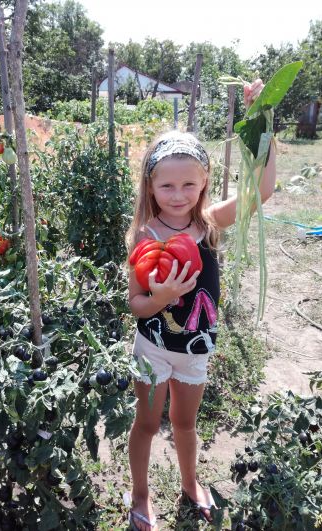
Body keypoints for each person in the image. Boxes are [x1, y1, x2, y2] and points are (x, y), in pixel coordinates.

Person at [123, 79, 276, 530]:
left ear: (205, 180)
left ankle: (190, 483)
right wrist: (163, 297)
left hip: (195, 349)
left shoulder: (208, 224)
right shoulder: (146, 236)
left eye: (189, 183)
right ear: (151, 185)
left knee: (185, 424)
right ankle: (140, 493)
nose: (178, 194)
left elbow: (261, 191)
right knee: (147, 425)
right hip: (152, 349)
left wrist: (263, 121)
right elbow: (137, 305)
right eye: (167, 184)